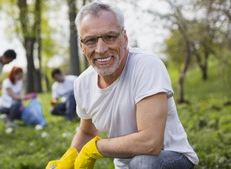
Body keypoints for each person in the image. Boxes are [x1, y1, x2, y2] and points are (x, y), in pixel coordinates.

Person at [46, 2, 199, 169]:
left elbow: (150, 143)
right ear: (82, 46)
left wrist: (95, 148)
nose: (101, 49)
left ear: (124, 38)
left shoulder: (146, 65)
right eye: (90, 40)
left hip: (171, 157)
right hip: (127, 166)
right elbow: (87, 132)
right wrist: (69, 159)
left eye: (110, 37)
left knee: (143, 162)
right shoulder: (82, 83)